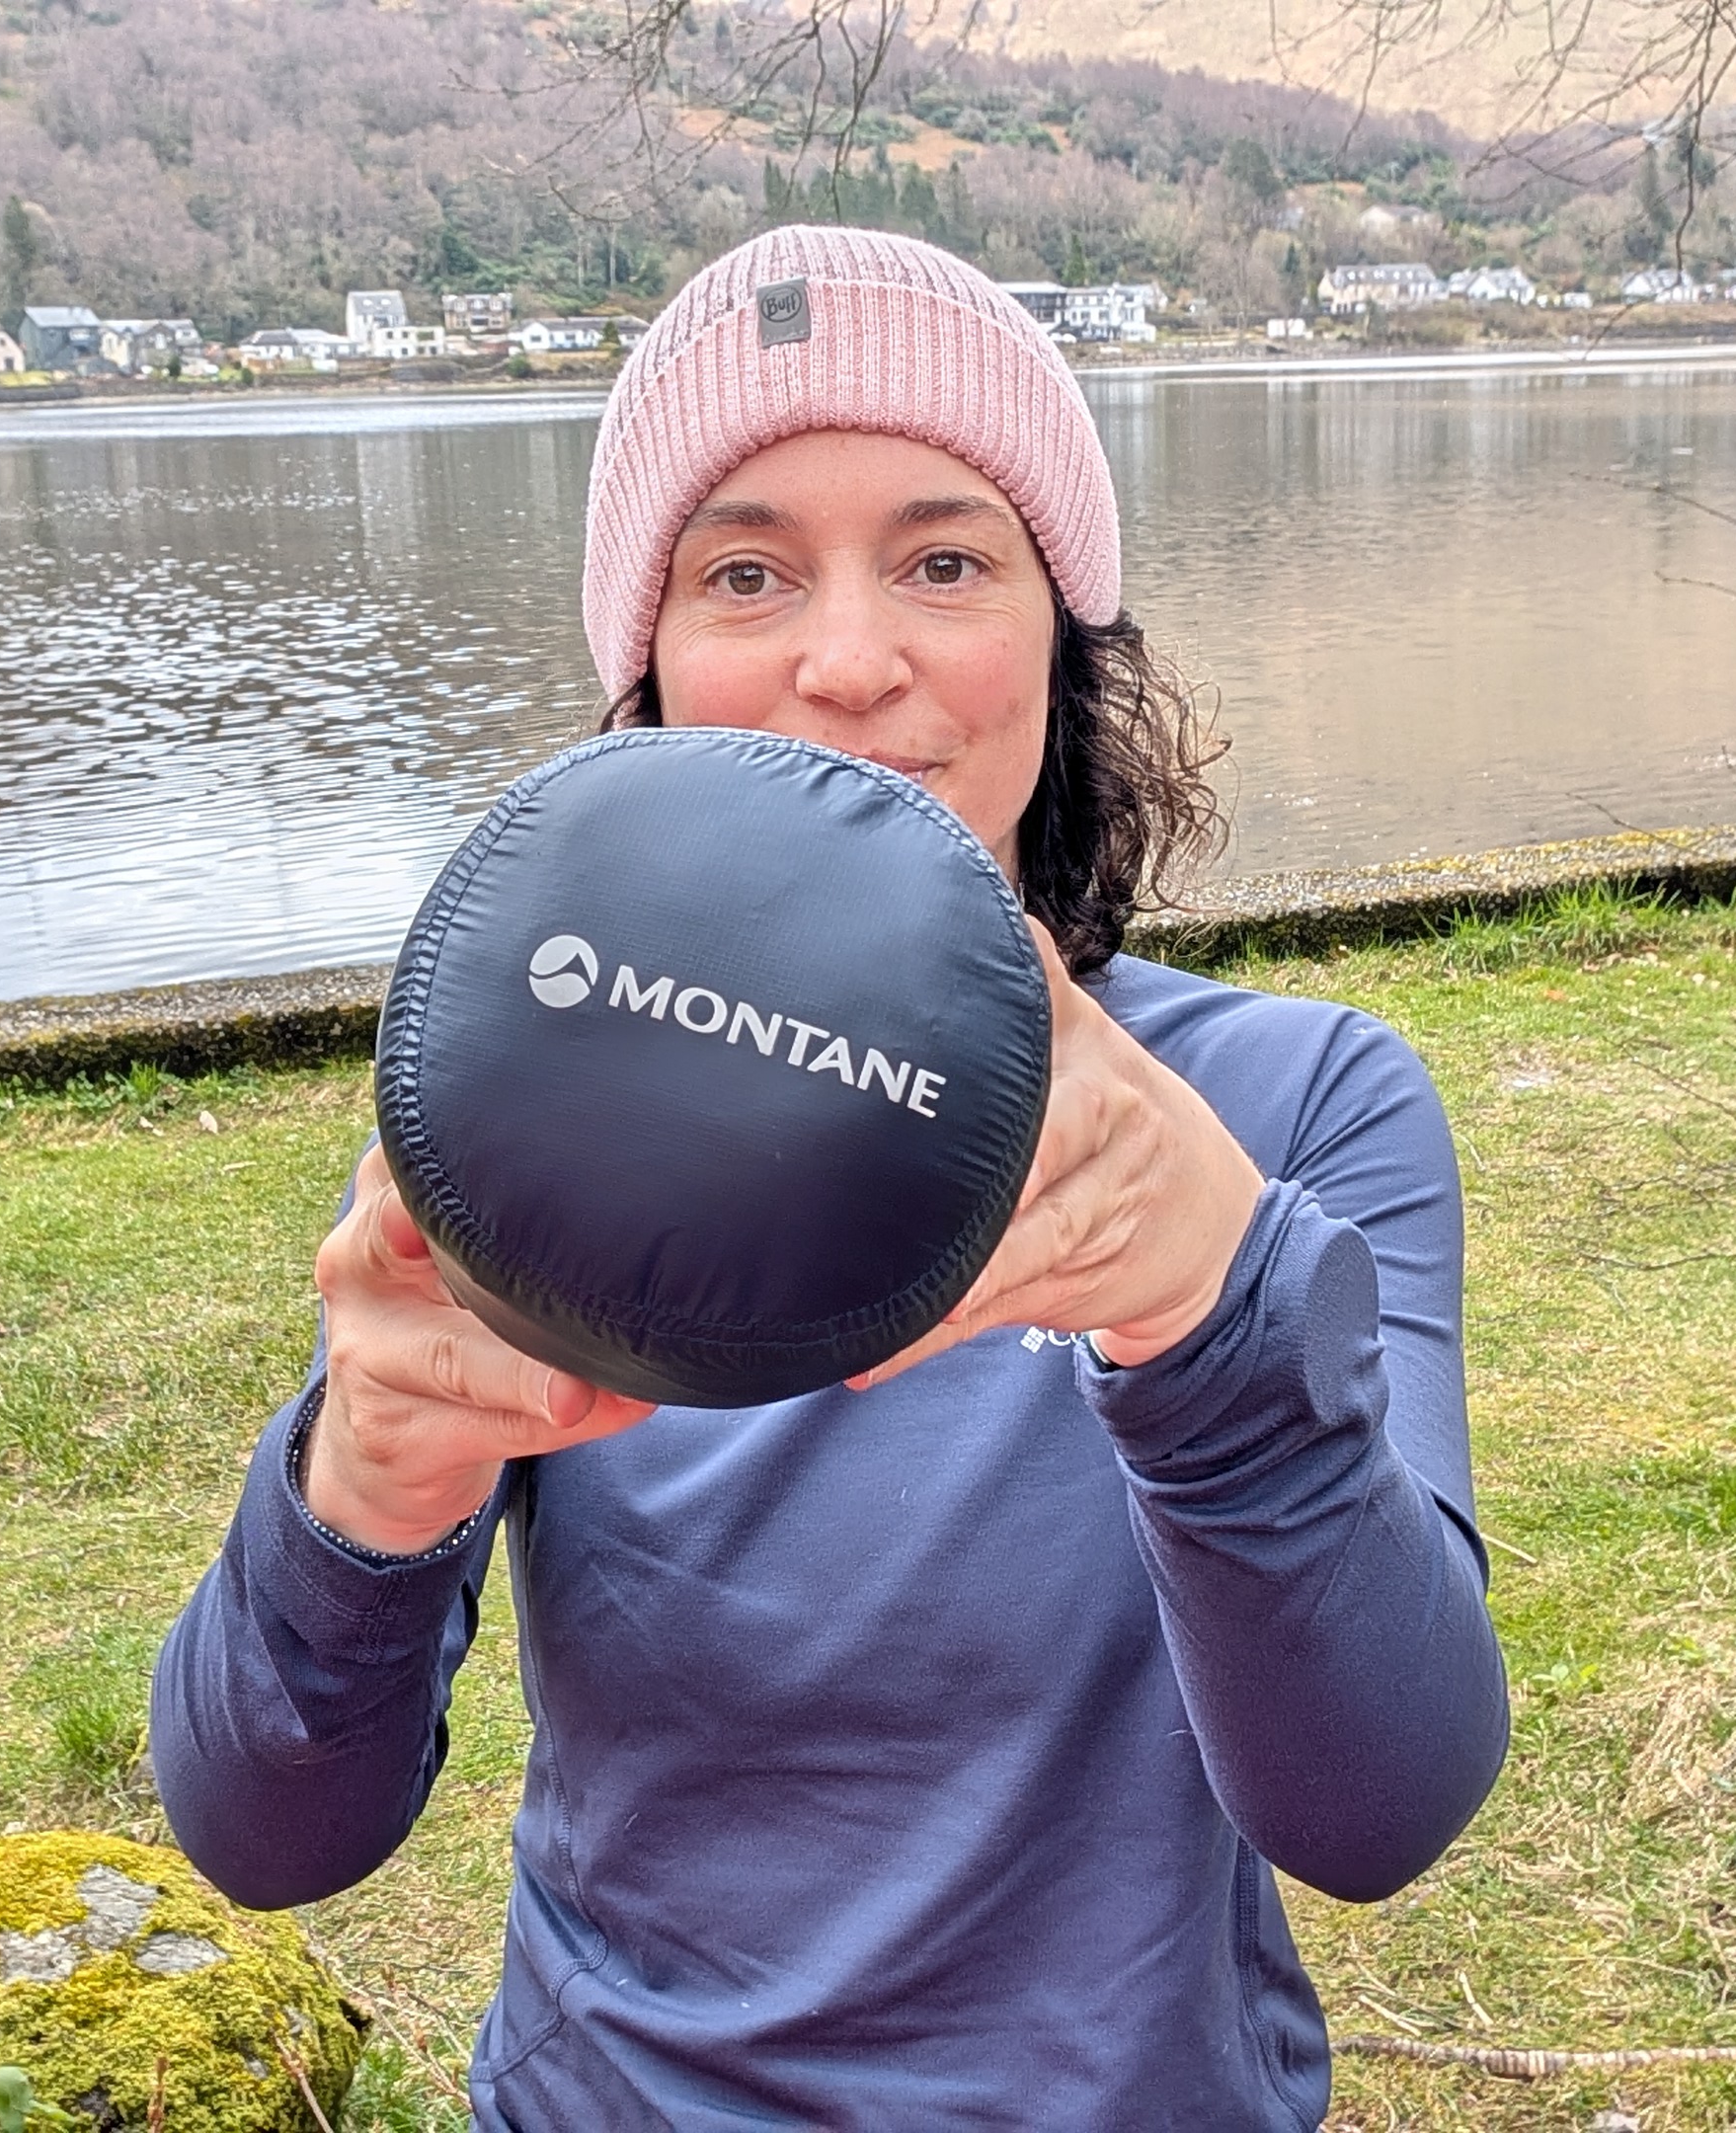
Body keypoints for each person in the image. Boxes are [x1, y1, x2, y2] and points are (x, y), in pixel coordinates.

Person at [153, 225, 1506, 2127]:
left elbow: (1378, 1806)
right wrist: (364, 1486)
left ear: (1064, 640)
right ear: (648, 673)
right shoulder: (542, 1123)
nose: (852, 664)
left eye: (947, 562)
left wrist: (1210, 1311)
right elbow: (268, 1829)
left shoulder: (1293, 1105)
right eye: (745, 573)